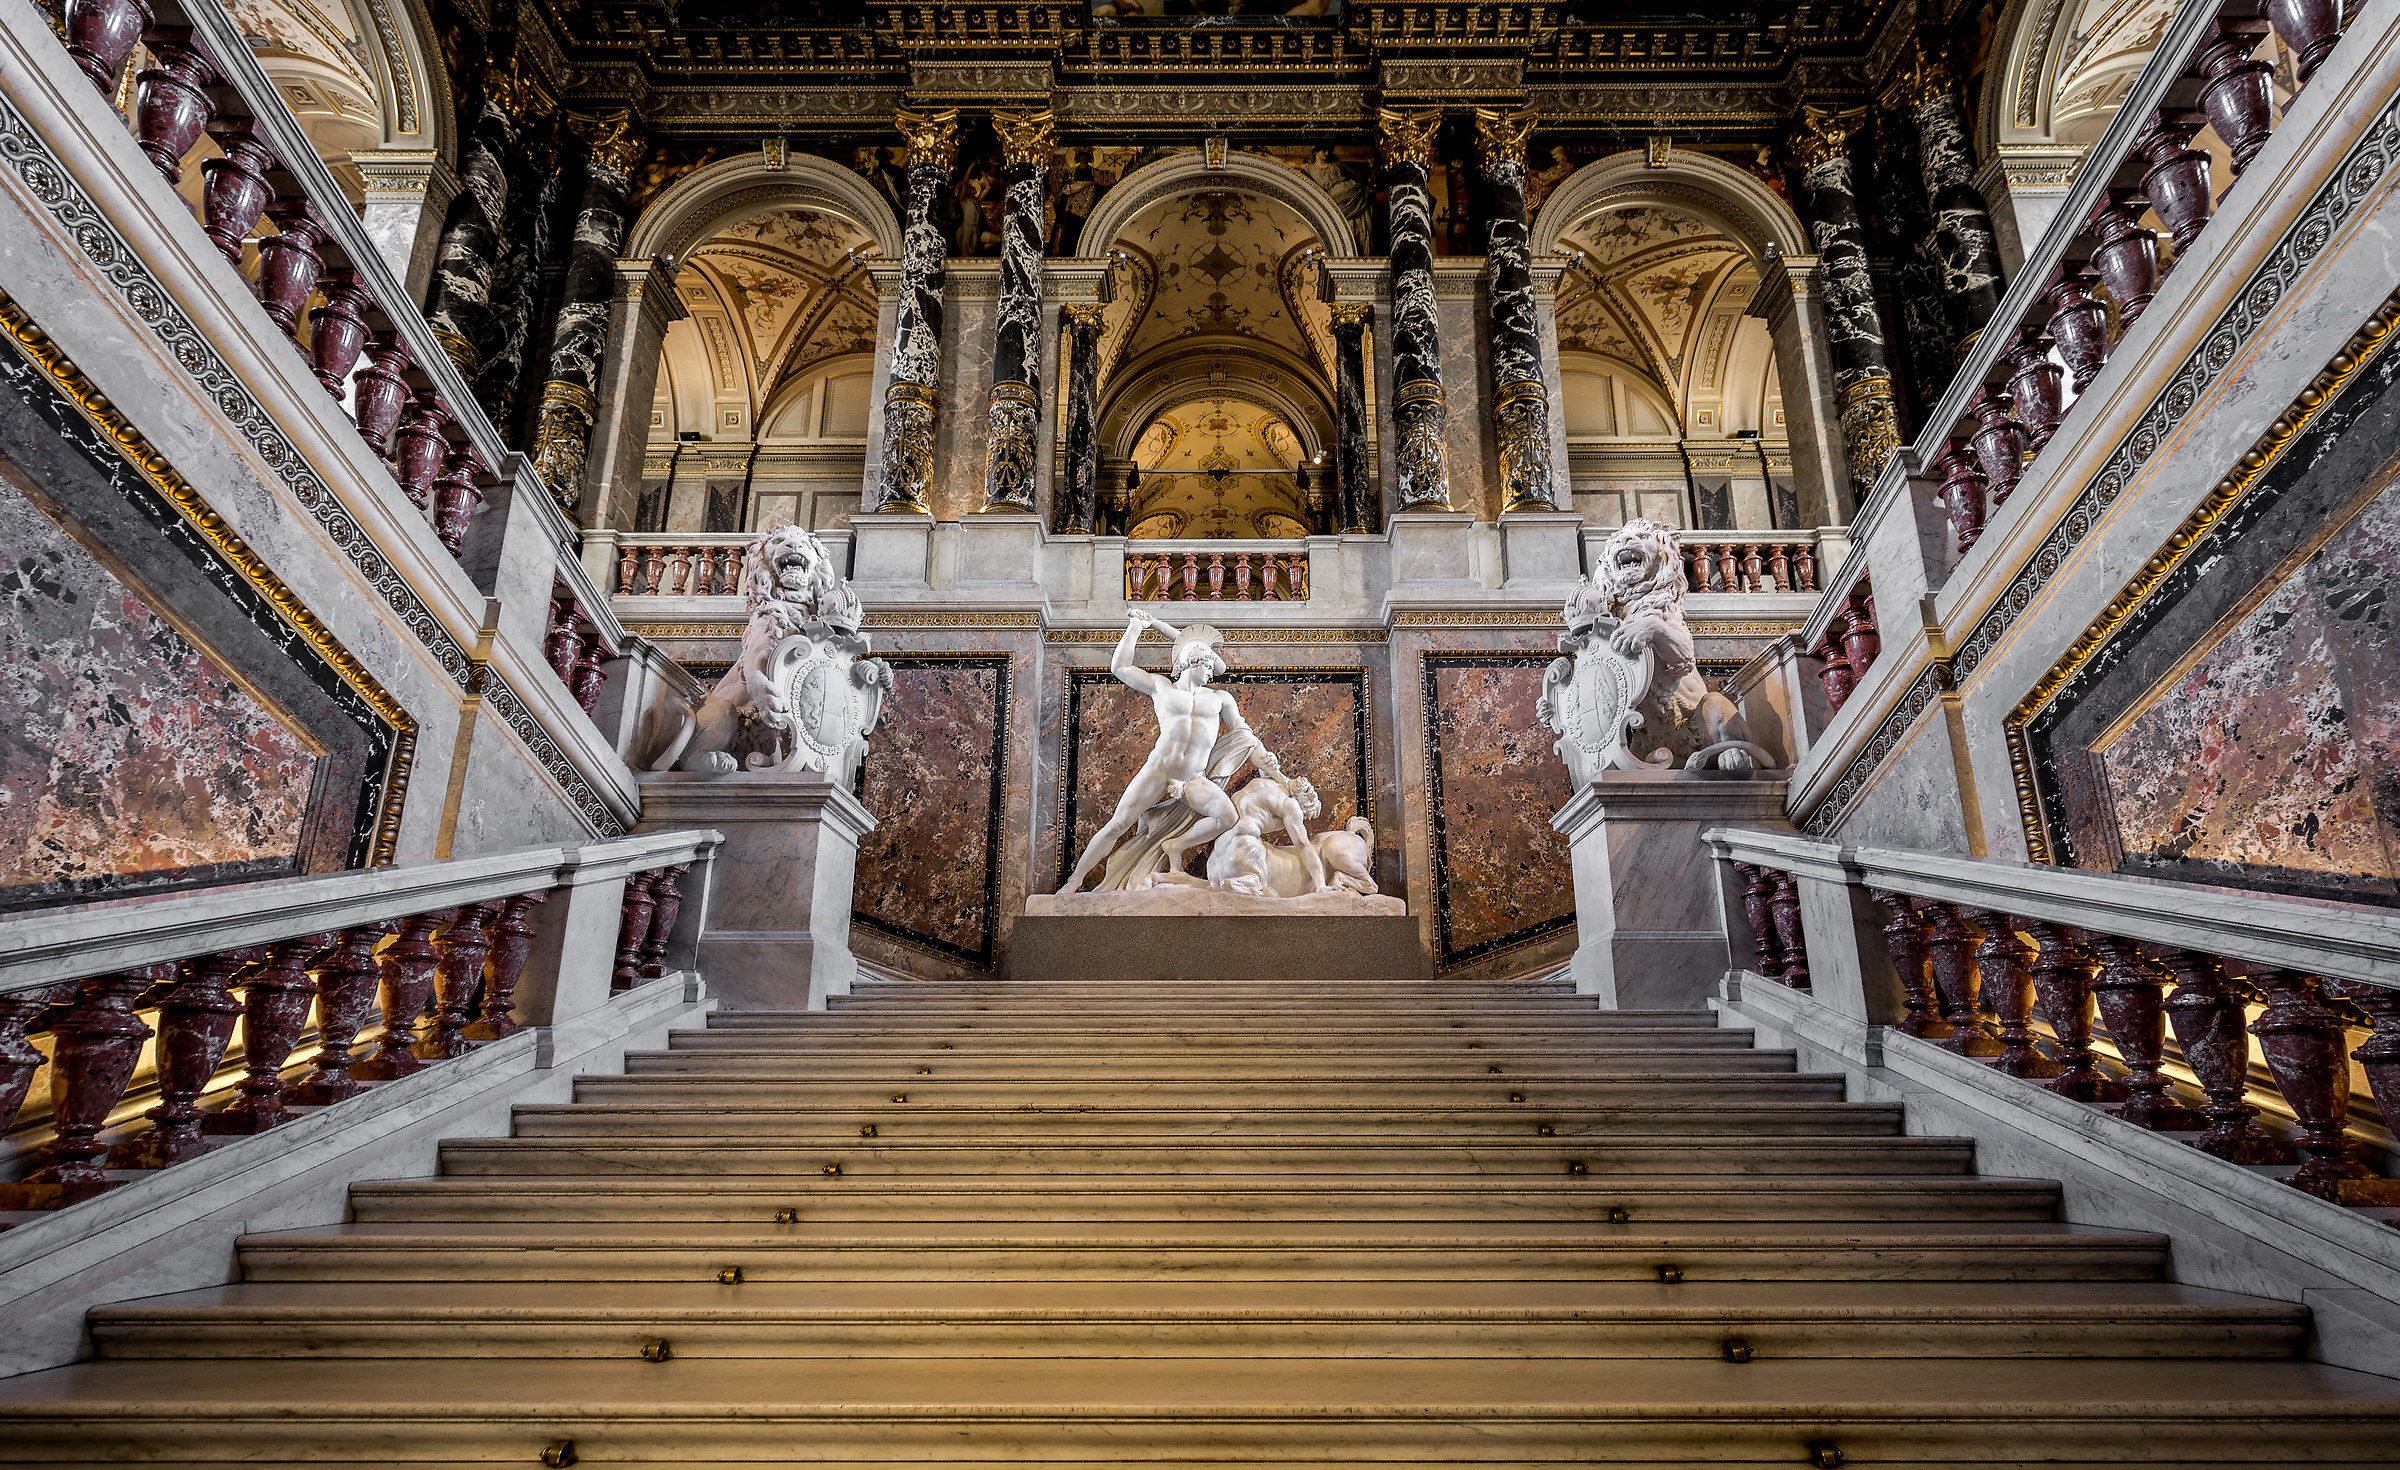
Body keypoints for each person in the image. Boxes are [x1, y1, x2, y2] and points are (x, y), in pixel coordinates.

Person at [1059, 610, 1287, 894]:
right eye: (1207, 665)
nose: (1213, 671)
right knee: (1117, 825)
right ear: (1194, 662)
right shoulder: (1161, 687)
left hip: (1193, 778)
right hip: (1159, 770)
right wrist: (1138, 626)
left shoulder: (1219, 699)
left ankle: (1175, 845)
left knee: (1227, 817)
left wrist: (1270, 764)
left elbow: (1244, 735)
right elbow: (1120, 667)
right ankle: (1073, 882)